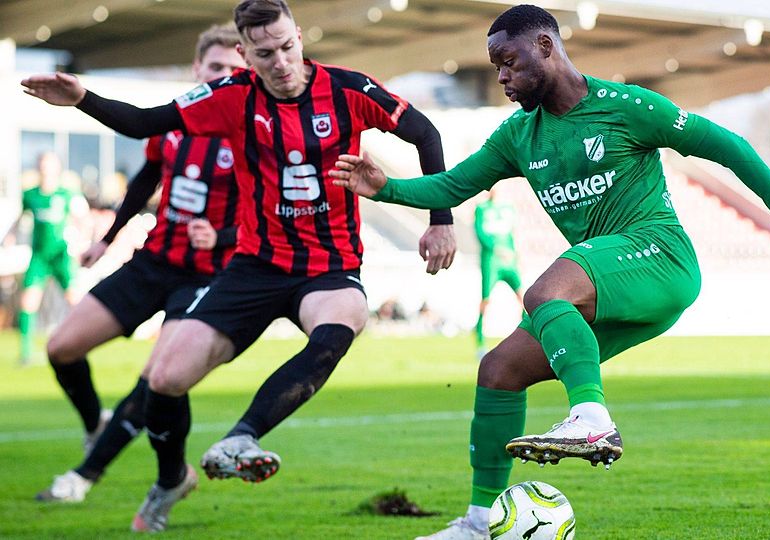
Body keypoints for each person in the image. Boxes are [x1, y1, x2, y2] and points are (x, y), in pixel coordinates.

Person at [330, 5, 770, 538]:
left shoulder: (627, 106)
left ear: (546, 47)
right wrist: (387, 188)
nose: (501, 77)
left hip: (659, 257)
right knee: (498, 371)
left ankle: (591, 419)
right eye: (496, 67)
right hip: (610, 282)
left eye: (508, 62)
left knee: (544, 291)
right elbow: (453, 185)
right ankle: (480, 523)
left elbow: (727, 146)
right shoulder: (518, 135)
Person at [23, 0, 456, 531]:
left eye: (287, 47)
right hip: (254, 266)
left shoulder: (349, 89)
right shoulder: (231, 95)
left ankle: (241, 437)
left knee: (346, 318)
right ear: (245, 54)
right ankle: (171, 478)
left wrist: (440, 219)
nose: (281, 62)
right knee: (165, 377)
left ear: (300, 37)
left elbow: (425, 133)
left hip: (329, 265)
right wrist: (82, 99)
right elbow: (144, 123)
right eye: (265, 53)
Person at [33, 24, 245, 505]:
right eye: (215, 66)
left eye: (234, 69)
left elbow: (270, 211)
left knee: (158, 376)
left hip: (209, 276)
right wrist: (107, 240)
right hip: (154, 260)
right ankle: (98, 425)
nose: (223, 76)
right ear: (197, 68)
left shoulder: (249, 128)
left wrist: (223, 236)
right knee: (62, 347)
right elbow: (147, 178)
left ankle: (83, 477)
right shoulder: (174, 120)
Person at [16, 152, 88, 365]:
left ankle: (80, 345)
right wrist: (10, 237)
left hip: (61, 255)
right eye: (43, 164)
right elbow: (20, 218)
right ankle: (26, 353)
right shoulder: (30, 195)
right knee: (28, 301)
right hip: (39, 256)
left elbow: (83, 218)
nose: (46, 168)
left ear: (57, 168)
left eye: (50, 164)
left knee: (74, 300)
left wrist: (81, 243)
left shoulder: (67, 194)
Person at [474, 185, 524, 357]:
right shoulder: (481, 208)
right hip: (491, 260)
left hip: (509, 260)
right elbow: (480, 233)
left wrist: (516, 253)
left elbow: (514, 233)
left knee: (523, 298)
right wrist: (496, 249)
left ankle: (526, 339)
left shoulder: (509, 207)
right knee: (486, 300)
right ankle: (480, 341)